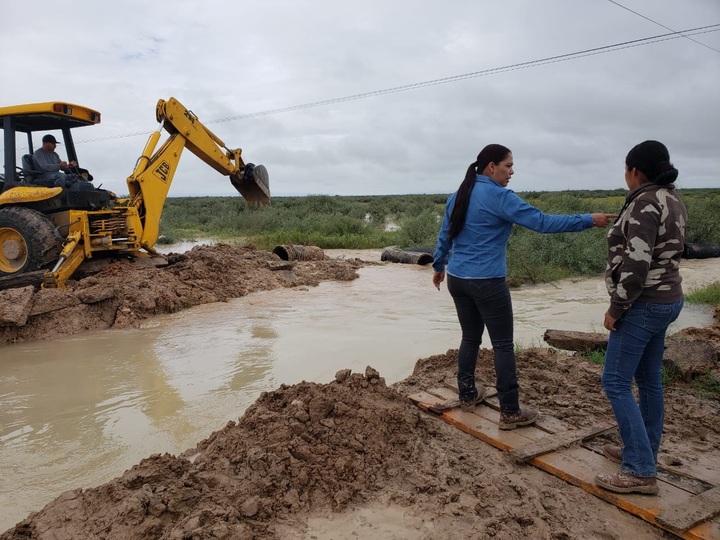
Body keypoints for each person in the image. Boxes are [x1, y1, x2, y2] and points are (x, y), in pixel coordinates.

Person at [432, 144, 616, 430]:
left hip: (458, 278)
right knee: (503, 345)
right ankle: (510, 412)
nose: (512, 171)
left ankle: (467, 394)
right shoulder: (500, 196)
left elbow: (446, 234)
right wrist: (587, 220)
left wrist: (438, 266)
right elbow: (541, 222)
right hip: (488, 282)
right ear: (491, 167)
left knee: (470, 337)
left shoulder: (458, 195)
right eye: (508, 165)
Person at [595, 140, 687, 495]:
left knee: (615, 381)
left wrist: (616, 308)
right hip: (668, 300)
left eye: (626, 170)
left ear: (635, 171)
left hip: (643, 304)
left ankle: (639, 469)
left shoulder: (645, 203)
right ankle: (643, 450)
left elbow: (636, 264)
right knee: (648, 381)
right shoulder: (672, 197)